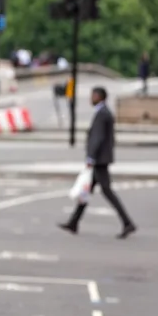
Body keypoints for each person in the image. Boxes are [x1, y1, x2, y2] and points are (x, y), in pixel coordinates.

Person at [58, 87, 136, 239]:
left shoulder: (102, 114)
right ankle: (73, 222)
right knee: (85, 192)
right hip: (101, 159)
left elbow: (98, 137)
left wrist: (90, 157)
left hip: (99, 160)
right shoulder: (104, 112)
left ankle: (127, 223)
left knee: (107, 192)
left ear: (99, 97)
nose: (90, 98)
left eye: (92, 95)